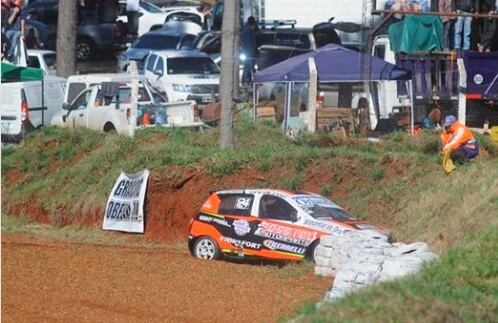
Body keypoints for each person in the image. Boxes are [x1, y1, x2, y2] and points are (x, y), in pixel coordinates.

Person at [240, 16, 257, 84]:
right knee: (250, 68)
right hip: (250, 54)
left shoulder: (243, 31)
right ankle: (250, 81)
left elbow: (242, 42)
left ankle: (245, 81)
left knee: (247, 68)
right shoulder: (250, 32)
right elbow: (253, 44)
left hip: (245, 53)